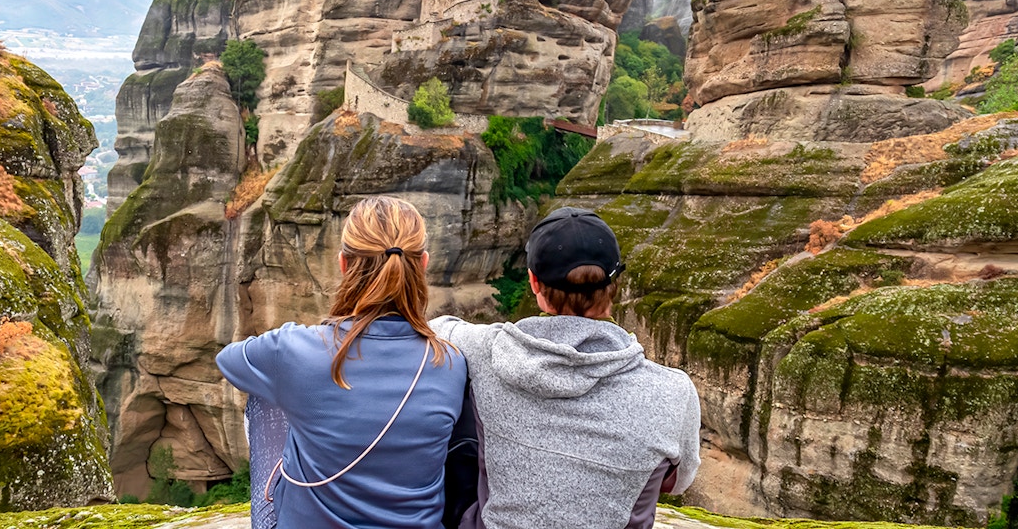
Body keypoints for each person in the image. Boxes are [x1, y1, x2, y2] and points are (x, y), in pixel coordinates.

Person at [432, 207, 702, 529]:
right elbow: (677, 483)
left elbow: (436, 328)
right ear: (615, 284)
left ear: (533, 282)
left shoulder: (487, 351)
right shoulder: (673, 391)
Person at [217, 196, 467, 529]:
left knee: (267, 389)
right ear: (422, 264)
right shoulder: (450, 363)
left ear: (344, 264)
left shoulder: (293, 349)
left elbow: (228, 360)